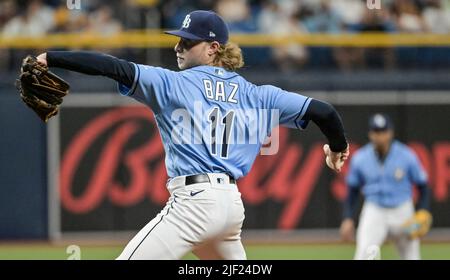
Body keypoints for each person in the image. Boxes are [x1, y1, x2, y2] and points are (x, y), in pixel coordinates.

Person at [36, 10, 349, 260]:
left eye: (187, 42)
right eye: (178, 40)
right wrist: (337, 147)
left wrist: (52, 58)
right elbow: (324, 112)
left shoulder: (173, 84)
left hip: (195, 205)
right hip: (229, 209)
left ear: (213, 48)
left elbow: (113, 67)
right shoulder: (259, 95)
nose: (177, 47)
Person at [340, 113, 430, 260]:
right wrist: (348, 218)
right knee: (363, 254)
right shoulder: (360, 158)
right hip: (375, 210)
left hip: (402, 210)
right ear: (370, 134)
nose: (380, 136)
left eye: (383, 131)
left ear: (390, 132)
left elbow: (423, 185)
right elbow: (353, 190)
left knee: (412, 257)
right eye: (376, 132)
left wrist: (424, 211)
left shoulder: (406, 155)